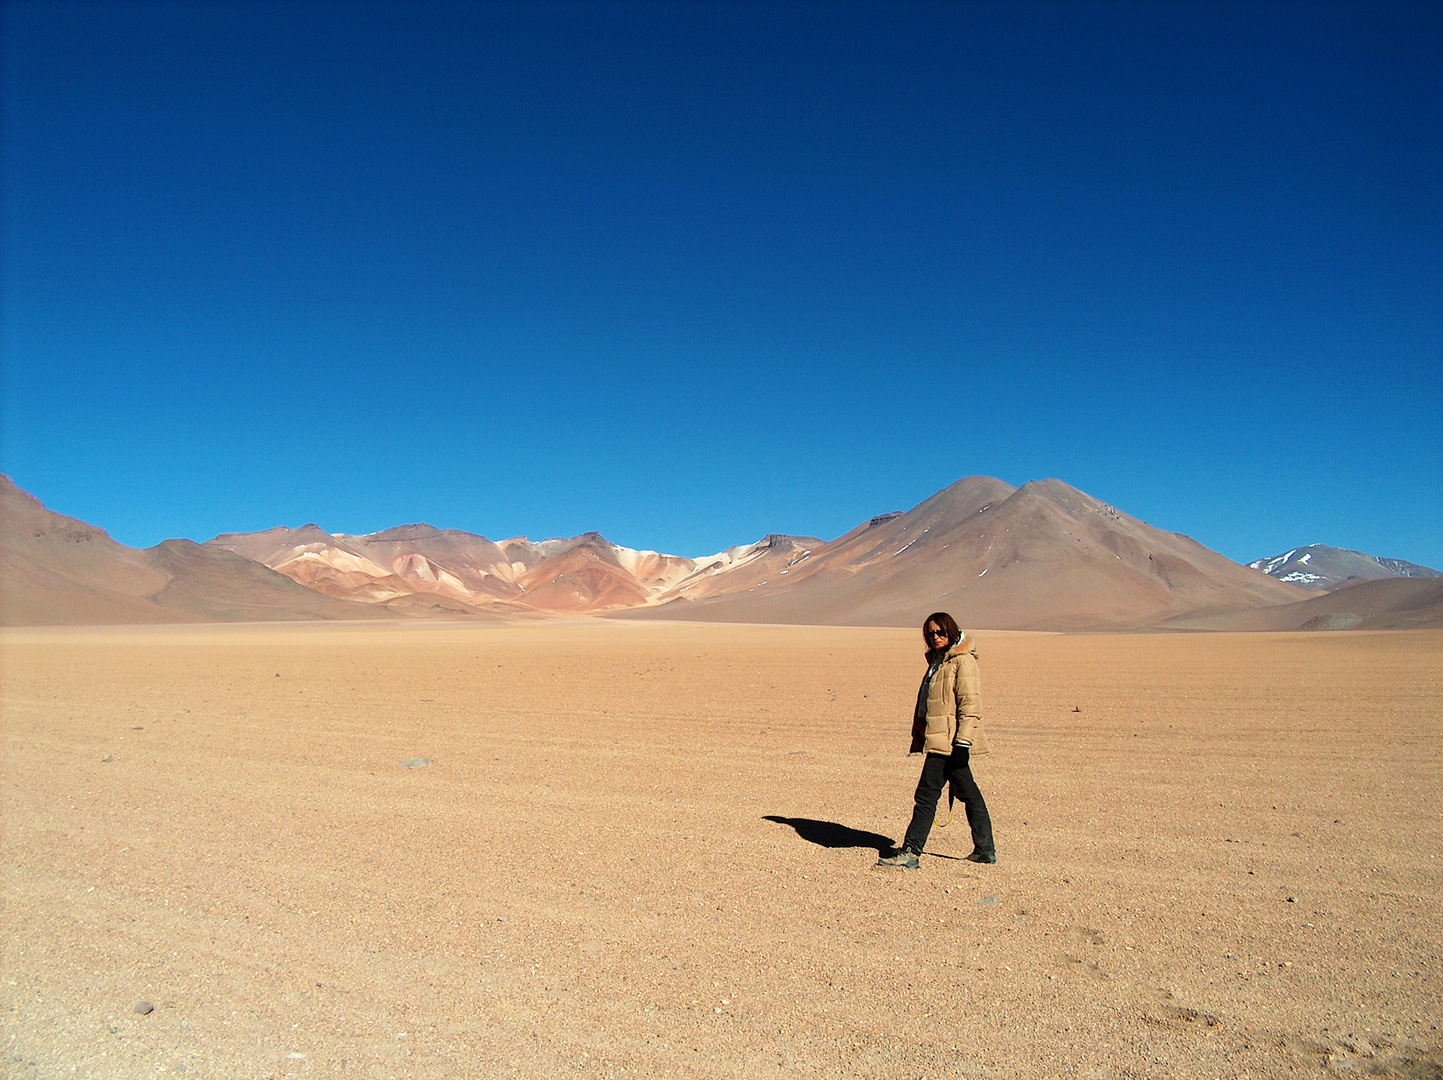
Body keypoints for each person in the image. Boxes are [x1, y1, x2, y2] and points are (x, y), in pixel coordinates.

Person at [877, 612, 995, 869]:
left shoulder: (962, 662)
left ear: (951, 631)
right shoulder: (939, 662)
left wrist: (963, 743)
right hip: (941, 738)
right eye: (930, 633)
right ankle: (985, 850)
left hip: (950, 742)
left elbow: (970, 705)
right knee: (969, 793)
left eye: (941, 632)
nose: (936, 637)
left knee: (927, 794)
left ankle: (911, 851)